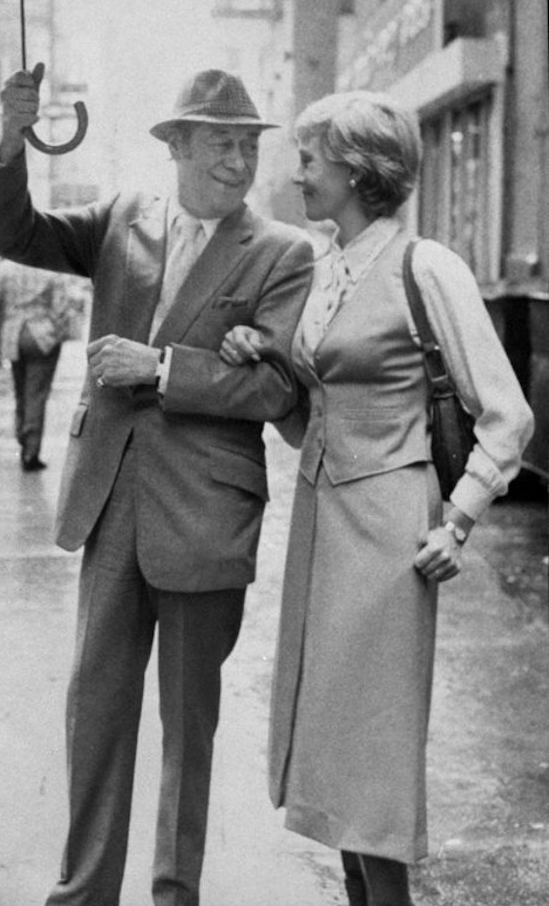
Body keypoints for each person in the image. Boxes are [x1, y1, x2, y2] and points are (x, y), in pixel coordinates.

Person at [0, 63, 313, 906]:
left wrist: (163, 367)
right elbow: (16, 234)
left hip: (207, 513)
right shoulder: (124, 219)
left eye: (247, 145)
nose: (237, 162)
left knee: (187, 730)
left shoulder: (280, 253)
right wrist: (12, 139)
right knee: (96, 715)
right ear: (177, 146)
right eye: (219, 144)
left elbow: (276, 391)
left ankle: (175, 895)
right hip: (111, 502)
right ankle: (83, 892)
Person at [219, 90, 534, 906]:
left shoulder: (426, 267)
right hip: (324, 522)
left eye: (311, 160)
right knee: (331, 756)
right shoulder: (326, 268)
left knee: (373, 765)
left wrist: (458, 520)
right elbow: (306, 416)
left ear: (359, 171)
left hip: (392, 531)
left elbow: (508, 415)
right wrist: (267, 359)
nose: (296, 177)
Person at [0, 256, 72, 471]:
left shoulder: (5, 268)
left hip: (13, 337)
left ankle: (22, 438)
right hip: (42, 337)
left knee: (20, 392)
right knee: (36, 394)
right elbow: (61, 308)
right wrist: (60, 333)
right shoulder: (51, 267)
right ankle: (31, 452)